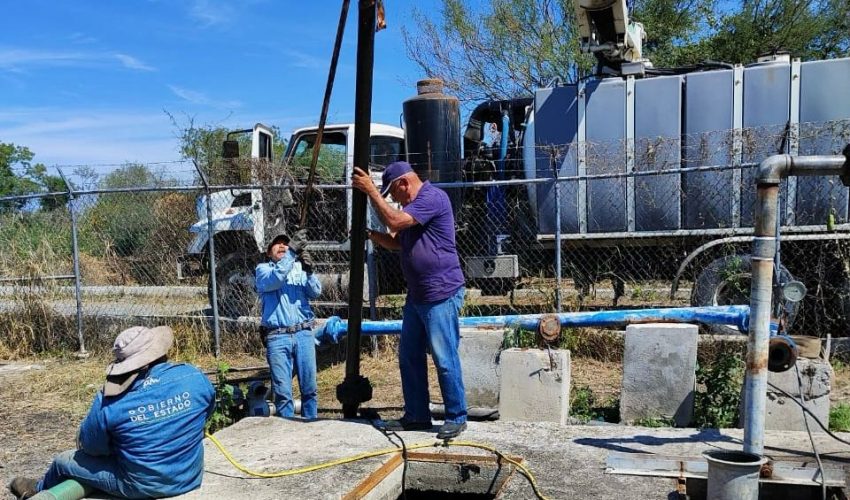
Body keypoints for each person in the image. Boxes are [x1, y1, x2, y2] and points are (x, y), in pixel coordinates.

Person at [8, 325, 215, 499]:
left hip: (140, 486)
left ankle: (37, 489)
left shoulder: (109, 400)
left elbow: (91, 447)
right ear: (160, 351)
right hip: (190, 476)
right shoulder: (194, 376)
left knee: (64, 461)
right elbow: (205, 414)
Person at [352, 161, 468, 440]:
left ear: (404, 183)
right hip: (418, 295)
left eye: (394, 193)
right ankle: (417, 416)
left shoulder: (432, 198)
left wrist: (372, 192)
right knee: (409, 357)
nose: (395, 200)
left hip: (440, 293)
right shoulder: (411, 207)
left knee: (444, 357)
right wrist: (369, 235)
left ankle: (456, 416)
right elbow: (396, 241)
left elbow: (394, 221)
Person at [255, 230, 322, 419]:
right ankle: (286, 431)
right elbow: (276, 279)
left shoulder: (298, 269)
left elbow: (316, 292)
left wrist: (309, 271)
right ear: (268, 252)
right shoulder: (263, 270)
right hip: (277, 336)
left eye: (286, 243)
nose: (283, 246)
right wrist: (292, 252)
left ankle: (312, 427)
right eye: (277, 244)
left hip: (303, 333)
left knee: (310, 389)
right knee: (283, 393)